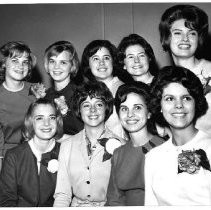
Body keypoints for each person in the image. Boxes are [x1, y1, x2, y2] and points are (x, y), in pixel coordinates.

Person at [145, 66, 211, 205]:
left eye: (186, 98)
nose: (179, 105)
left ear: (195, 103)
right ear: (159, 105)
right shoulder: (153, 157)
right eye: (169, 99)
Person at [53, 81, 125, 207]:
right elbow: (62, 195)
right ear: (79, 110)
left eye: (98, 104)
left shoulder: (122, 146)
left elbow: (122, 196)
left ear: (106, 108)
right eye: (86, 105)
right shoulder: (67, 146)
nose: (93, 110)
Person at [106, 82, 164, 206]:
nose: (130, 114)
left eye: (137, 107)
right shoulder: (118, 154)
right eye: (124, 109)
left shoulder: (164, 149)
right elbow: (114, 200)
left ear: (149, 112)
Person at [0, 98, 63, 206]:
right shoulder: (13, 156)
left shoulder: (65, 152)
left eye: (51, 117)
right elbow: (6, 199)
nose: (47, 124)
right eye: (39, 118)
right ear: (30, 122)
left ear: (57, 121)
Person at [159, 4, 211, 134]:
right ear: (166, 37)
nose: (185, 39)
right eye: (177, 33)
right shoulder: (163, 80)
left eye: (192, 33)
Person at [0, 41, 36, 169]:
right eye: (15, 60)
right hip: (6, 158)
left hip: (36, 154)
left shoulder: (36, 91)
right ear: (4, 63)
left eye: (25, 62)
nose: (21, 66)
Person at [77, 39, 124, 138]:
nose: (101, 63)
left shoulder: (123, 90)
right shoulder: (85, 92)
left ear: (113, 61)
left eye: (106, 58)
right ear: (88, 64)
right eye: (96, 58)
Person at [44, 40, 83, 135]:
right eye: (52, 61)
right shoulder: (46, 96)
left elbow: (82, 133)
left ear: (72, 66)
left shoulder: (81, 94)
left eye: (63, 62)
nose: (56, 67)